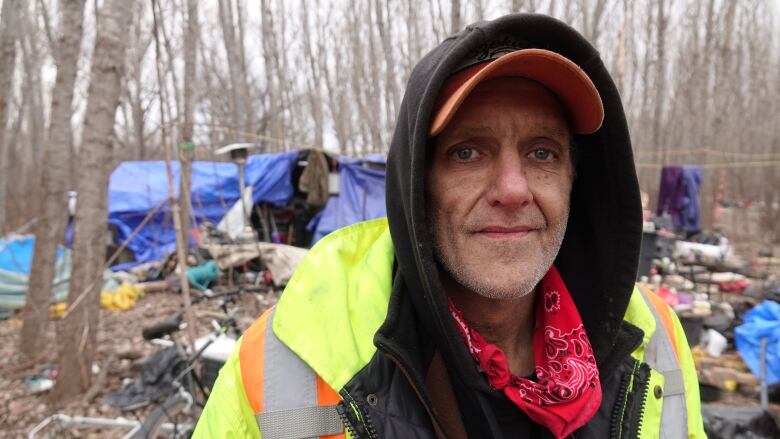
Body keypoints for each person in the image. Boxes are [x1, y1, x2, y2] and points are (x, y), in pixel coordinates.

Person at [194, 13, 704, 438]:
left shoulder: (655, 341)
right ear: (417, 186)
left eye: (542, 152)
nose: (513, 189)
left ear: (575, 179)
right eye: (467, 152)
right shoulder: (284, 365)